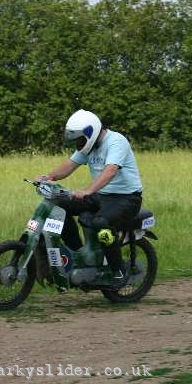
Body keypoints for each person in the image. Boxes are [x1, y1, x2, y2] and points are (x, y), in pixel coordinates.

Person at [36, 109, 143, 288]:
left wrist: (88, 190)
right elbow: (69, 165)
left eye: (79, 140)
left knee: (101, 223)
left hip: (126, 198)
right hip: (101, 196)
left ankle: (118, 270)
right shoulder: (89, 146)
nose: (78, 144)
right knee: (59, 206)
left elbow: (110, 171)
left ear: (90, 133)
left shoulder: (116, 141)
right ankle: (78, 254)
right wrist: (49, 178)